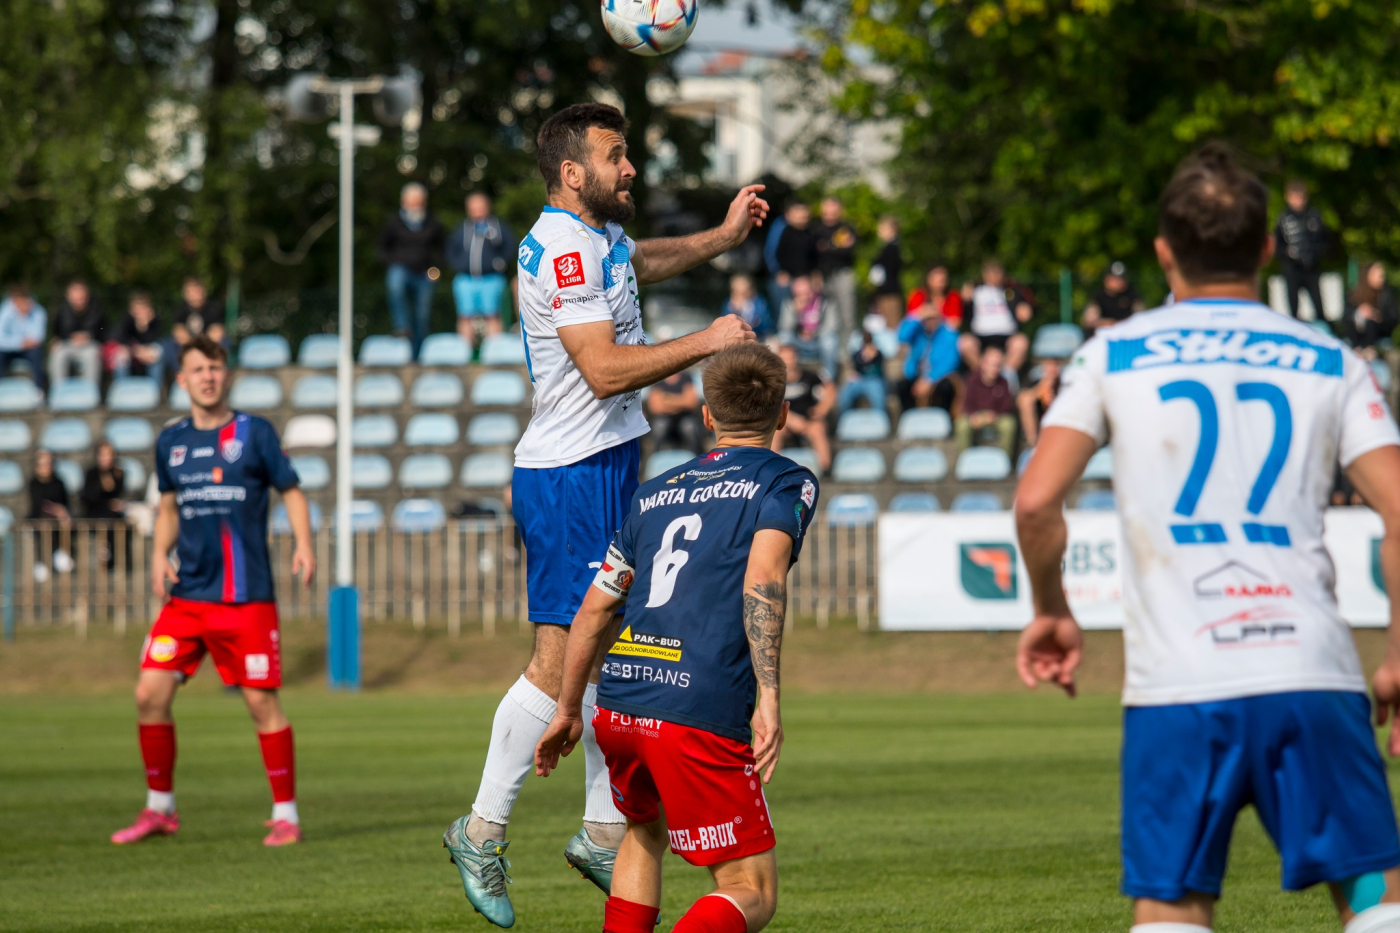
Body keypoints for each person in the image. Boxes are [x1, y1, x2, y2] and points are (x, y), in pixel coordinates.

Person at [1015, 143, 1400, 933]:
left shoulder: (1111, 353)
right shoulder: (1330, 358)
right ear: (1266, 248)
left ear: (1163, 252)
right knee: (1372, 897)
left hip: (1180, 692)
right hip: (1313, 679)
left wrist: (1052, 607)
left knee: (1173, 907)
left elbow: (1035, 501)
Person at [440, 102, 767, 928]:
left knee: (620, 650)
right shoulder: (559, 250)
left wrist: (719, 240)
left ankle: (599, 828)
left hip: (610, 465)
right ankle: (480, 828)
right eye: (616, 156)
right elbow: (603, 370)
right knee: (561, 664)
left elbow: (639, 261)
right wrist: (708, 340)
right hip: (570, 475)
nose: (631, 168)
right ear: (573, 172)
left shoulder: (598, 242)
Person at [534, 343, 818, 933]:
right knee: (750, 889)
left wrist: (567, 709)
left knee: (643, 831)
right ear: (783, 414)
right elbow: (763, 578)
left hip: (620, 702)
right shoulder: (785, 481)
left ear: (708, 416)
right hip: (697, 703)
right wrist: (769, 697)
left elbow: (593, 610)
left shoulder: (652, 493)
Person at [110, 336, 316, 848]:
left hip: (245, 599)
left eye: (215, 367)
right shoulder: (171, 441)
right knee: (148, 694)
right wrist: (159, 556)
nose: (208, 376)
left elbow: (290, 489)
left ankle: (286, 814)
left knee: (260, 705)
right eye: (198, 368)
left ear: (227, 375)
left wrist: (304, 545)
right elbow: (167, 508)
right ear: (182, 380)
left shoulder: (255, 433)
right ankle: (160, 809)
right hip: (186, 600)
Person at [377, 182, 446, 357]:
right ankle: (401, 326)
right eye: (411, 201)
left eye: (418, 201)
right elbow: (382, 247)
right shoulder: (393, 222)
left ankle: (416, 355)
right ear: (403, 201)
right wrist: (392, 261)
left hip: (424, 274)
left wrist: (436, 270)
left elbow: (442, 248)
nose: (415, 205)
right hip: (401, 268)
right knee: (395, 285)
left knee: (422, 315)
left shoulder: (433, 223)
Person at [447, 192, 517, 341]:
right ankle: (465, 357)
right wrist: (459, 265)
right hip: (466, 278)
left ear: (487, 207)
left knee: (492, 315)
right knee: (465, 316)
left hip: (491, 278)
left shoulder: (498, 227)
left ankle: (494, 353)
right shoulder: (462, 229)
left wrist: (499, 264)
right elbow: (450, 250)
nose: (477, 209)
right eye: (473, 206)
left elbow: (510, 247)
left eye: (480, 205)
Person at [960, 259, 1032, 372]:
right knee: (965, 343)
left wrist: (1025, 310)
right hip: (980, 336)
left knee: (1021, 343)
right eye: (990, 273)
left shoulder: (1011, 291)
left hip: (1007, 336)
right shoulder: (974, 290)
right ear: (984, 274)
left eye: (997, 273)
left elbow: (1026, 308)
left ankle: (1006, 378)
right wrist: (964, 300)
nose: (994, 276)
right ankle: (982, 377)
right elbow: (961, 313)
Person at [771, 343, 833, 471]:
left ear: (796, 358)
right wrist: (790, 420)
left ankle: (825, 470)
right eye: (785, 358)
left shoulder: (810, 377)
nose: (789, 362)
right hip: (784, 424)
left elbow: (831, 390)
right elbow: (769, 404)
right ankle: (770, 470)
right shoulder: (774, 382)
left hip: (808, 422)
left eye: (791, 357)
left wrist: (821, 409)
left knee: (818, 428)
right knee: (775, 432)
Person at [1275, 179, 1330, 319]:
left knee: (1319, 307)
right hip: (1292, 268)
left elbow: (1325, 239)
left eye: (1301, 197)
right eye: (1294, 197)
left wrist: (1317, 252)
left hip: (1312, 268)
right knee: (1293, 308)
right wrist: (1286, 253)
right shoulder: (1283, 219)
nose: (1298, 201)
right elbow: (1277, 244)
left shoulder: (1314, 216)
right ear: (1288, 197)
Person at [896, 301, 960, 413]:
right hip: (916, 375)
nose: (930, 321)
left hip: (938, 376)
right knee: (902, 386)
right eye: (927, 318)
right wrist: (917, 316)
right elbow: (901, 336)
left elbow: (951, 362)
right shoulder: (918, 332)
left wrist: (929, 379)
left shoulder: (949, 334)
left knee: (946, 388)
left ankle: (942, 418)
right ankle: (910, 418)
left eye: (933, 318)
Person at [954, 345, 1016, 454]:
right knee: (961, 424)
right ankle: (964, 460)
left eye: (998, 365)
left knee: (1009, 424)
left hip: (996, 417)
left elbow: (1007, 406)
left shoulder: (1004, 382)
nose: (995, 368)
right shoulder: (971, 380)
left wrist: (994, 416)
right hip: (976, 417)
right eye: (992, 365)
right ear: (983, 363)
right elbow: (966, 403)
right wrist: (974, 416)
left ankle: (1005, 460)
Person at [776, 275, 839, 378]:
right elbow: (784, 327)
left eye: (806, 292)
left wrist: (814, 333)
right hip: (799, 342)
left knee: (830, 341)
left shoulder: (825, 300)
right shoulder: (789, 302)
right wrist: (795, 311)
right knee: (783, 337)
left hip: (818, 341)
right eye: (799, 293)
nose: (803, 296)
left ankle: (829, 378)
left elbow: (832, 326)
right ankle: (786, 375)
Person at [813, 196, 859, 336]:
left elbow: (848, 250)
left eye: (834, 207)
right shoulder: (816, 230)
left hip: (843, 274)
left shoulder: (846, 228)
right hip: (823, 277)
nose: (830, 211)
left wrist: (827, 247)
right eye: (827, 207)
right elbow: (812, 254)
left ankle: (846, 353)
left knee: (847, 315)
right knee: (827, 317)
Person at [26, 448, 73, 584]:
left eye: (49, 463)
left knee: (61, 519)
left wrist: (62, 511)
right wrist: (56, 509)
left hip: (58, 520)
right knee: (45, 522)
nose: (46, 467)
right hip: (38, 519)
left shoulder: (59, 482)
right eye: (43, 464)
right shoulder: (33, 484)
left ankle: (61, 551)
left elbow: (65, 503)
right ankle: (44, 558)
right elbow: (37, 505)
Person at [81, 440, 129, 571]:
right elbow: (86, 497)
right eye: (103, 454)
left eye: (109, 454)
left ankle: (123, 561)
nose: (106, 458)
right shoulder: (91, 473)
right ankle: (108, 555)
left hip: (113, 514)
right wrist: (101, 488)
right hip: (95, 512)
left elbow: (120, 494)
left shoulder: (118, 473)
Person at [763, 201, 818, 312]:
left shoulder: (810, 231)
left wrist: (814, 274)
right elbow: (769, 253)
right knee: (783, 303)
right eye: (798, 211)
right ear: (788, 214)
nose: (803, 215)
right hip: (785, 277)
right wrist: (778, 272)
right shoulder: (780, 228)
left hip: (805, 278)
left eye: (805, 212)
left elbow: (815, 256)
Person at [49, 278, 105, 384]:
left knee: (93, 356)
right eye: (76, 297)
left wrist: (89, 336)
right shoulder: (62, 310)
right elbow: (57, 331)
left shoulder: (97, 308)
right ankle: (58, 391)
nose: (79, 300)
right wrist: (58, 339)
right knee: (57, 354)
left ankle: (91, 393)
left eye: (82, 297)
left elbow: (102, 330)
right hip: (67, 344)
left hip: (90, 345)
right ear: (68, 296)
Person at [167, 277, 225, 374]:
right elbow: (178, 332)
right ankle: (181, 373)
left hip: (208, 344)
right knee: (169, 345)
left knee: (225, 343)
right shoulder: (181, 309)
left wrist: (202, 344)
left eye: (197, 291)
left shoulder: (213, 308)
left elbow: (217, 332)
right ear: (185, 294)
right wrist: (192, 344)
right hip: (187, 345)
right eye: (191, 291)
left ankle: (216, 372)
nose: (195, 295)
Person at [109, 292, 165, 385]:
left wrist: (144, 326)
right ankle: (121, 388)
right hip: (132, 350)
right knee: (120, 357)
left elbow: (155, 341)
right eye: (137, 308)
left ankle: (155, 391)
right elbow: (122, 338)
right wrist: (136, 351)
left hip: (146, 352)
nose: (140, 312)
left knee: (156, 357)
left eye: (143, 308)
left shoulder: (155, 321)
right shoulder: (127, 319)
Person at [0, 285, 48, 392]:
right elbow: (1, 338)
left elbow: (39, 338)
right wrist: (19, 343)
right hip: (9, 349)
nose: (26, 305)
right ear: (14, 301)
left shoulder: (39, 312)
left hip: (30, 350)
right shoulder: (5, 312)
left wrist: (27, 343)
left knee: (37, 354)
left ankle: (38, 392)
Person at [1345, 262, 1398, 359]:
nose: (1381, 278)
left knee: (1370, 322)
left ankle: (1369, 350)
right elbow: (1345, 318)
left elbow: (1393, 319)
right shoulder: (1353, 295)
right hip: (1356, 340)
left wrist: (1377, 315)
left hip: (1380, 339)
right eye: (1378, 275)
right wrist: (1358, 313)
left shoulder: (1386, 294)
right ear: (1367, 275)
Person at [645, 371, 706, 454]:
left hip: (685, 418)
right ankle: (654, 459)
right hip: (663, 419)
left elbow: (691, 403)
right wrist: (681, 401)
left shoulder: (686, 378)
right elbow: (655, 408)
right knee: (659, 427)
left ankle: (699, 458)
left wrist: (668, 399)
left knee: (690, 427)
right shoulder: (658, 379)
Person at [1082, 261, 1144, 335]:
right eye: (1115, 278)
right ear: (1107, 279)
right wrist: (1105, 323)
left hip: (1127, 335)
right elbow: (1089, 321)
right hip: (1104, 337)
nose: (1119, 282)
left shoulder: (1131, 295)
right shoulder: (1099, 297)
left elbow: (1142, 316)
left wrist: (1123, 324)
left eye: (1122, 278)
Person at [838, 325, 887, 415]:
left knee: (878, 396)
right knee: (844, 394)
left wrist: (873, 356)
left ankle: (881, 423)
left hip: (874, 380)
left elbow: (881, 367)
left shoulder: (878, 352)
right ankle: (842, 423)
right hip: (860, 379)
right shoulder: (857, 354)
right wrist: (862, 358)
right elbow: (856, 368)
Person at [1017, 356, 1062, 448]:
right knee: (1025, 401)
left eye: (1055, 366)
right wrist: (1041, 388)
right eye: (1049, 365)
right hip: (1040, 422)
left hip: (1060, 424)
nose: (1051, 370)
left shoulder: (1064, 385)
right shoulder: (1034, 382)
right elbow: (1023, 400)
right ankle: (1032, 443)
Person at [868, 216, 904, 327]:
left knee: (893, 325)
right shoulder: (887, 248)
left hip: (890, 293)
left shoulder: (892, 249)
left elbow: (889, 271)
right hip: (885, 293)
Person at [906, 263, 963, 330]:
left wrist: (937, 316)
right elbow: (909, 320)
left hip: (943, 336)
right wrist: (923, 313)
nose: (941, 279)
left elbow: (956, 323)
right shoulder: (918, 295)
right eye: (936, 276)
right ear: (929, 279)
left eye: (943, 277)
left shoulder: (953, 297)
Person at [720, 273, 774, 340]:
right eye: (736, 292)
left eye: (743, 293)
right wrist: (735, 310)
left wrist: (753, 322)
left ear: (751, 291)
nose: (740, 297)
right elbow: (725, 325)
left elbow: (766, 324)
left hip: (759, 337)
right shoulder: (728, 305)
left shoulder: (759, 303)